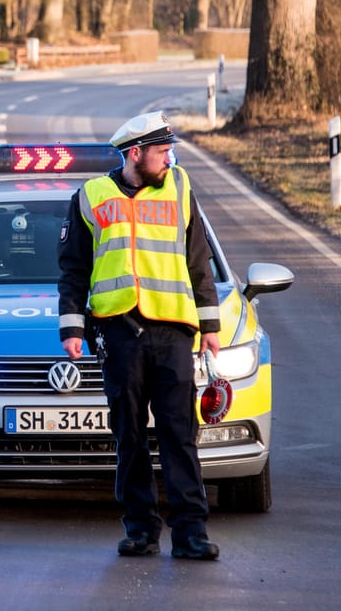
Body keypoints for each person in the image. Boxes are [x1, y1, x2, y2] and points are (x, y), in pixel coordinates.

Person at [57, 111, 222, 561]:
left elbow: (198, 260)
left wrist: (210, 326)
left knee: (178, 434)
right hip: (119, 334)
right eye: (162, 151)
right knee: (128, 435)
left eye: (170, 151)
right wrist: (72, 327)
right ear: (135, 153)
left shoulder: (180, 188)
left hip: (171, 332)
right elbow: (74, 269)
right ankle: (140, 528)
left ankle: (190, 532)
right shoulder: (91, 196)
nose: (169, 159)